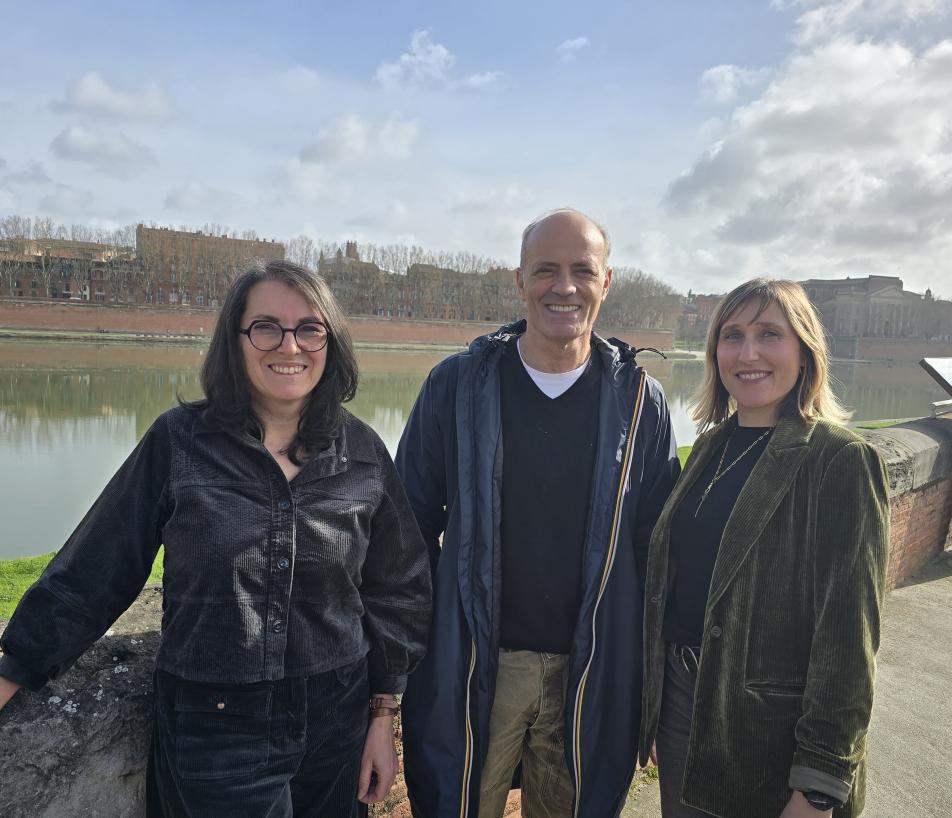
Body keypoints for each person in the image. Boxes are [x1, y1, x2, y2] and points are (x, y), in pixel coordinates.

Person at [0, 259, 432, 818]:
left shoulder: (362, 451)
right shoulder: (180, 442)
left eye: (310, 328)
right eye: (266, 327)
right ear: (236, 338)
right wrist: (17, 664)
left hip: (336, 720)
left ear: (331, 341)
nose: (290, 346)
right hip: (213, 724)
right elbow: (100, 565)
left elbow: (397, 585)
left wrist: (380, 715)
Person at [395, 208, 680, 818]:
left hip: (593, 667)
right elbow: (407, 531)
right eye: (546, 269)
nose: (565, 286)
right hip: (477, 663)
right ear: (518, 281)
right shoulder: (457, 385)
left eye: (583, 270)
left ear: (607, 283)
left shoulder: (639, 401)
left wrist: (653, 689)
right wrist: (397, 670)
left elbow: (657, 550)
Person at [639, 278, 890, 818]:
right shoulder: (710, 445)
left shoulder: (839, 461)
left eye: (769, 334)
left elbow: (849, 638)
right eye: (732, 336)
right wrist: (663, 709)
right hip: (687, 717)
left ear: (803, 352)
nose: (748, 353)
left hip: (772, 746)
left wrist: (819, 784)